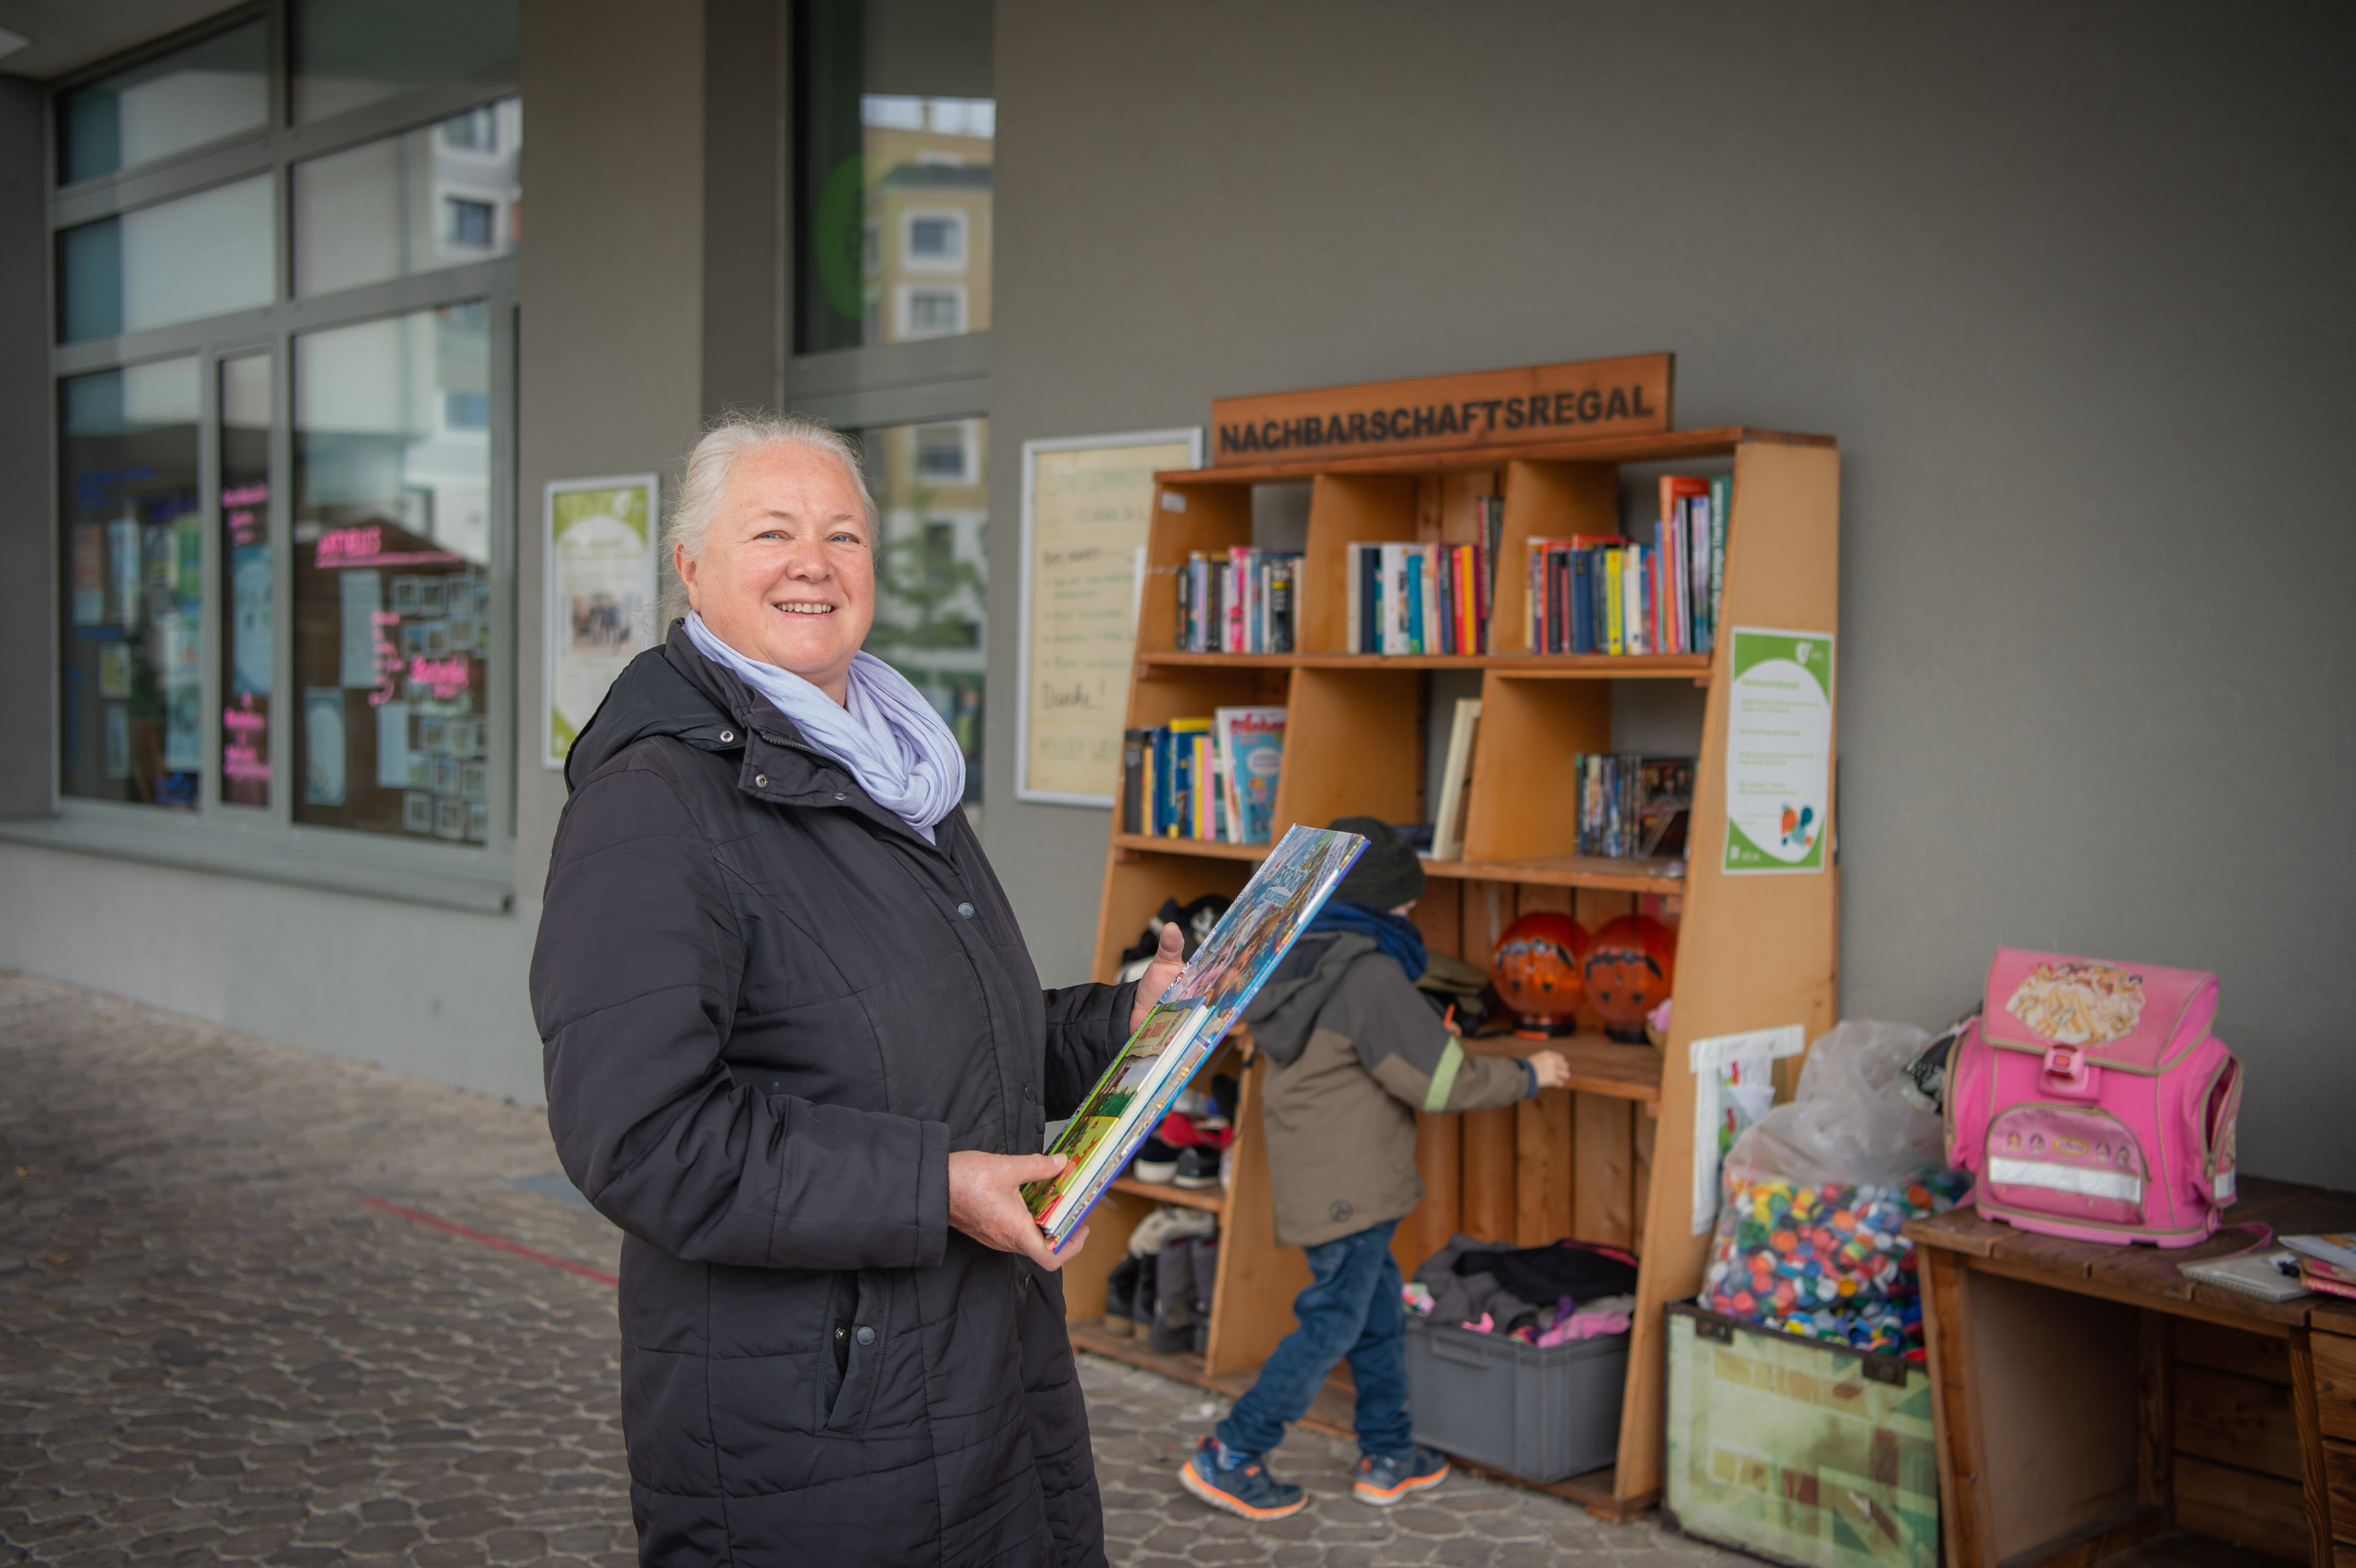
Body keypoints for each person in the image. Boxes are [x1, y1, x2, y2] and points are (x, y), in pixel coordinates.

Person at [530, 415, 1187, 1567]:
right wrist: (931, 1186)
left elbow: (938, 1039)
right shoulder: (655, 801)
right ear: (690, 566)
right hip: (810, 1422)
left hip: (974, 1372)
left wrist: (1122, 1021)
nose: (814, 563)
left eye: (844, 535)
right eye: (772, 531)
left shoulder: (893, 765)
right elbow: (640, 1134)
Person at [1178, 817, 1571, 1519]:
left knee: (1377, 1312)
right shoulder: (1371, 972)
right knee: (1331, 1321)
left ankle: (1389, 1452)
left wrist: (1420, 1037)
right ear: (1378, 904)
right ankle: (1233, 1452)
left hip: (1324, 1176)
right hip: (1351, 1187)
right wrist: (1530, 1072)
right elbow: (1443, 1085)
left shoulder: (1300, 956)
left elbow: (1369, 1054)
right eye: (1405, 903)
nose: (1411, 914)